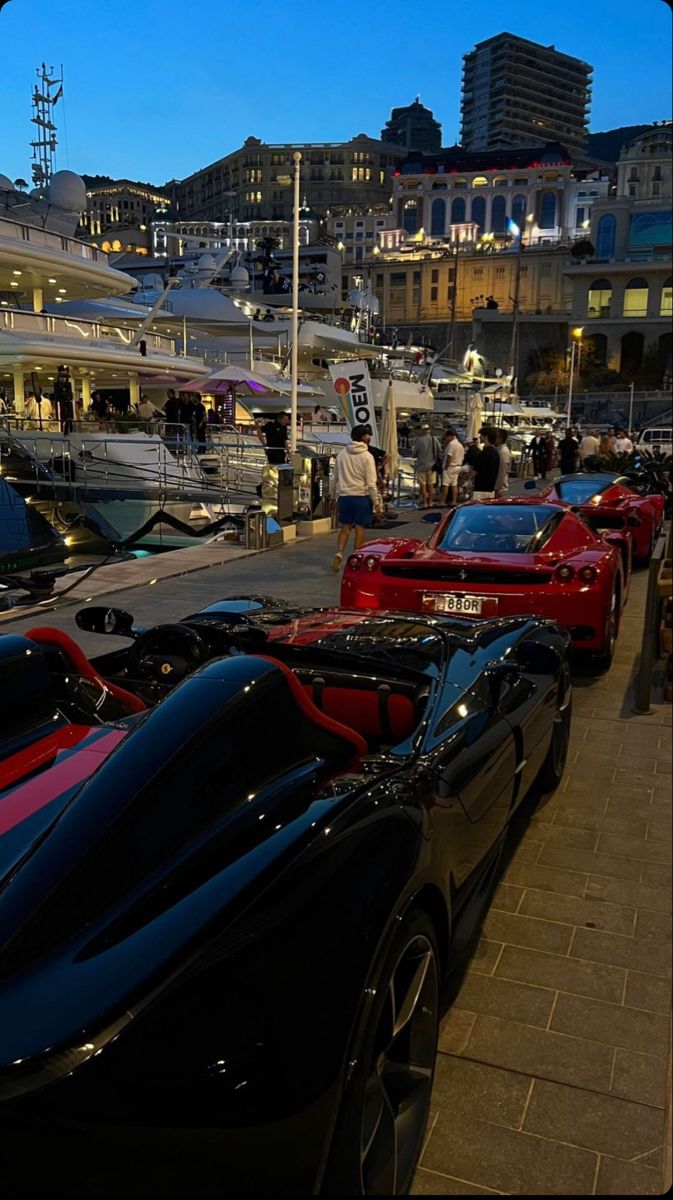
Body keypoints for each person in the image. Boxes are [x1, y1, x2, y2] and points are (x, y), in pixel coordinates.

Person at [329, 425, 378, 572]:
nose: (369, 438)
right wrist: (376, 502)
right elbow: (371, 483)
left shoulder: (342, 454)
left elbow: (334, 478)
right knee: (360, 528)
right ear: (363, 437)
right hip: (361, 497)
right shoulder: (367, 456)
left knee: (345, 528)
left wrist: (332, 497)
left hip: (344, 497)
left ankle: (339, 552)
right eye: (368, 435)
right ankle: (357, 559)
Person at [413, 422, 440, 509]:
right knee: (431, 485)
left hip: (421, 466)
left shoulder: (419, 440)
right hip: (432, 466)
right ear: (429, 430)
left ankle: (424, 503)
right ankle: (430, 502)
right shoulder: (434, 439)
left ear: (422, 431)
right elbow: (439, 450)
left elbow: (414, 454)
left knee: (423, 485)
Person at [439, 427, 465, 507]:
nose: (445, 439)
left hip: (450, 467)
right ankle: (454, 501)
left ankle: (442, 502)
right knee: (454, 484)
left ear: (449, 436)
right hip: (458, 466)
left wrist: (446, 467)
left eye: (446, 437)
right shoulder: (460, 445)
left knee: (445, 485)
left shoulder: (452, 444)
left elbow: (449, 456)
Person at [473, 428, 500, 499]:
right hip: (491, 488)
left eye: (481, 435)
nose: (479, 437)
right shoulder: (496, 452)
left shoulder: (482, 454)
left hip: (480, 488)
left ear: (486, 437)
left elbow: (474, 472)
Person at [494, 428, 512, 498]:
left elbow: (502, 471)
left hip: (500, 489)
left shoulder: (502, 451)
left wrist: (498, 488)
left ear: (500, 439)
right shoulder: (499, 449)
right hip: (499, 487)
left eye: (495, 437)